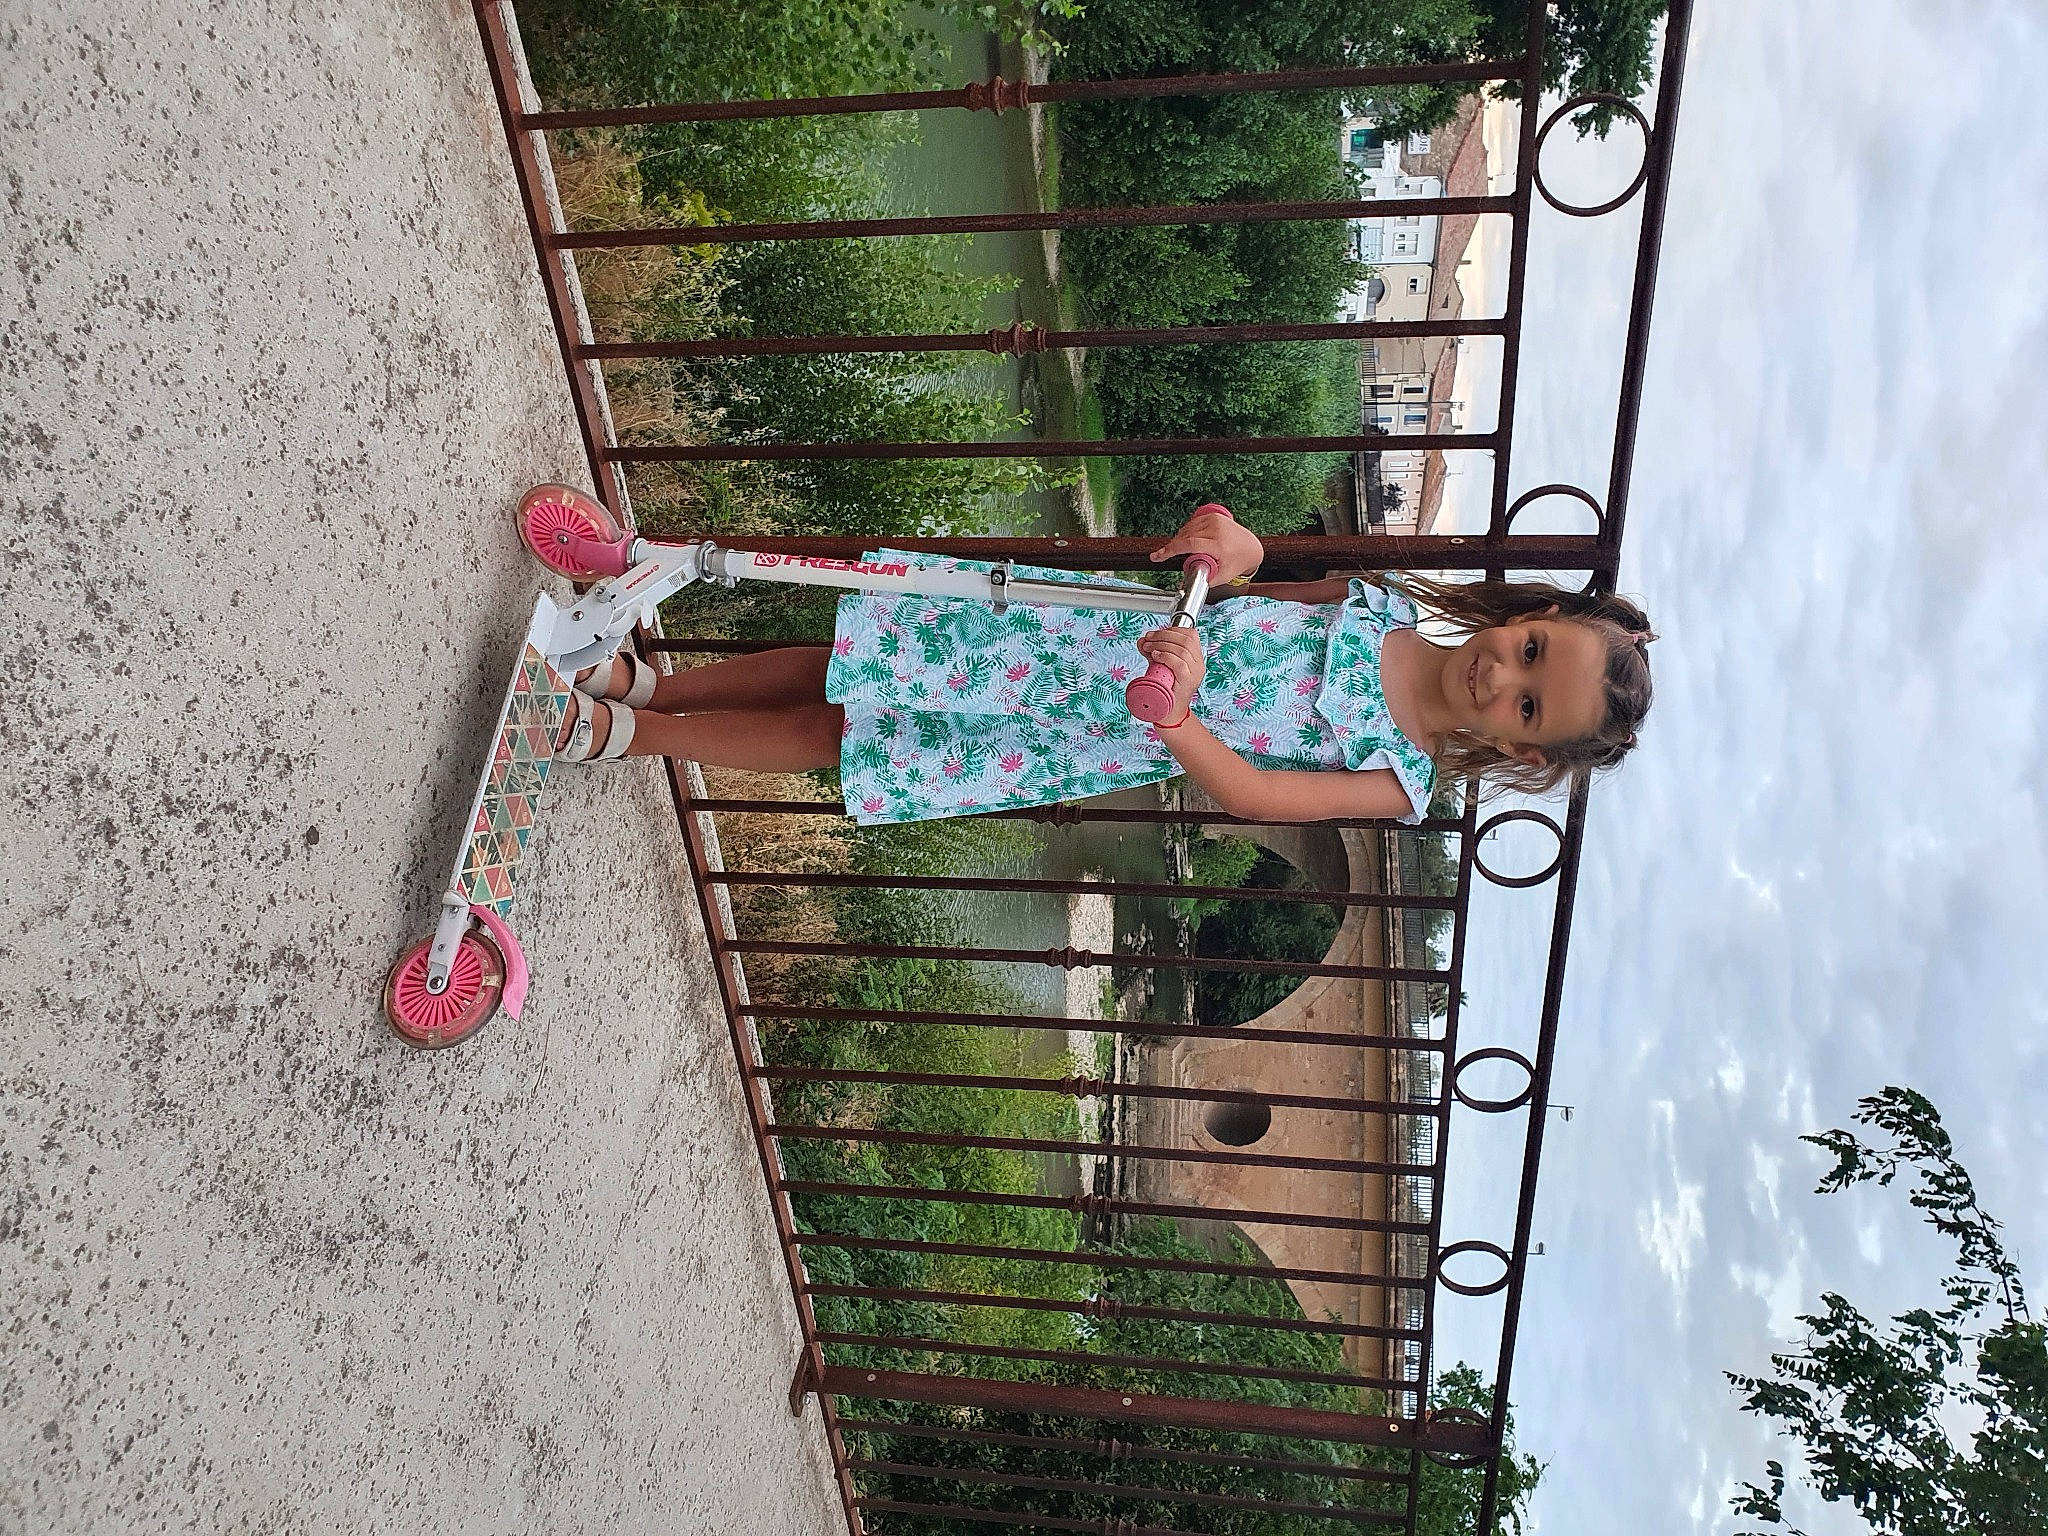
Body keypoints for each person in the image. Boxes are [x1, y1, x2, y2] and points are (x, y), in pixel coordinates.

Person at [554, 507, 1654, 825]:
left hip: (1077, 722)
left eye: (1524, 703)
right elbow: (1253, 586)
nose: (1500, 675)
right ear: (1532, 616)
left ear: (1516, 743)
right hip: (1065, 630)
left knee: (844, 733)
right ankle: (645, 683)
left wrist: (1178, 723)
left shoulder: (1396, 775)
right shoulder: (1376, 607)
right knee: (849, 651)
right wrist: (1237, 551)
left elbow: (1262, 792)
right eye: (1528, 652)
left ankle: (632, 737)